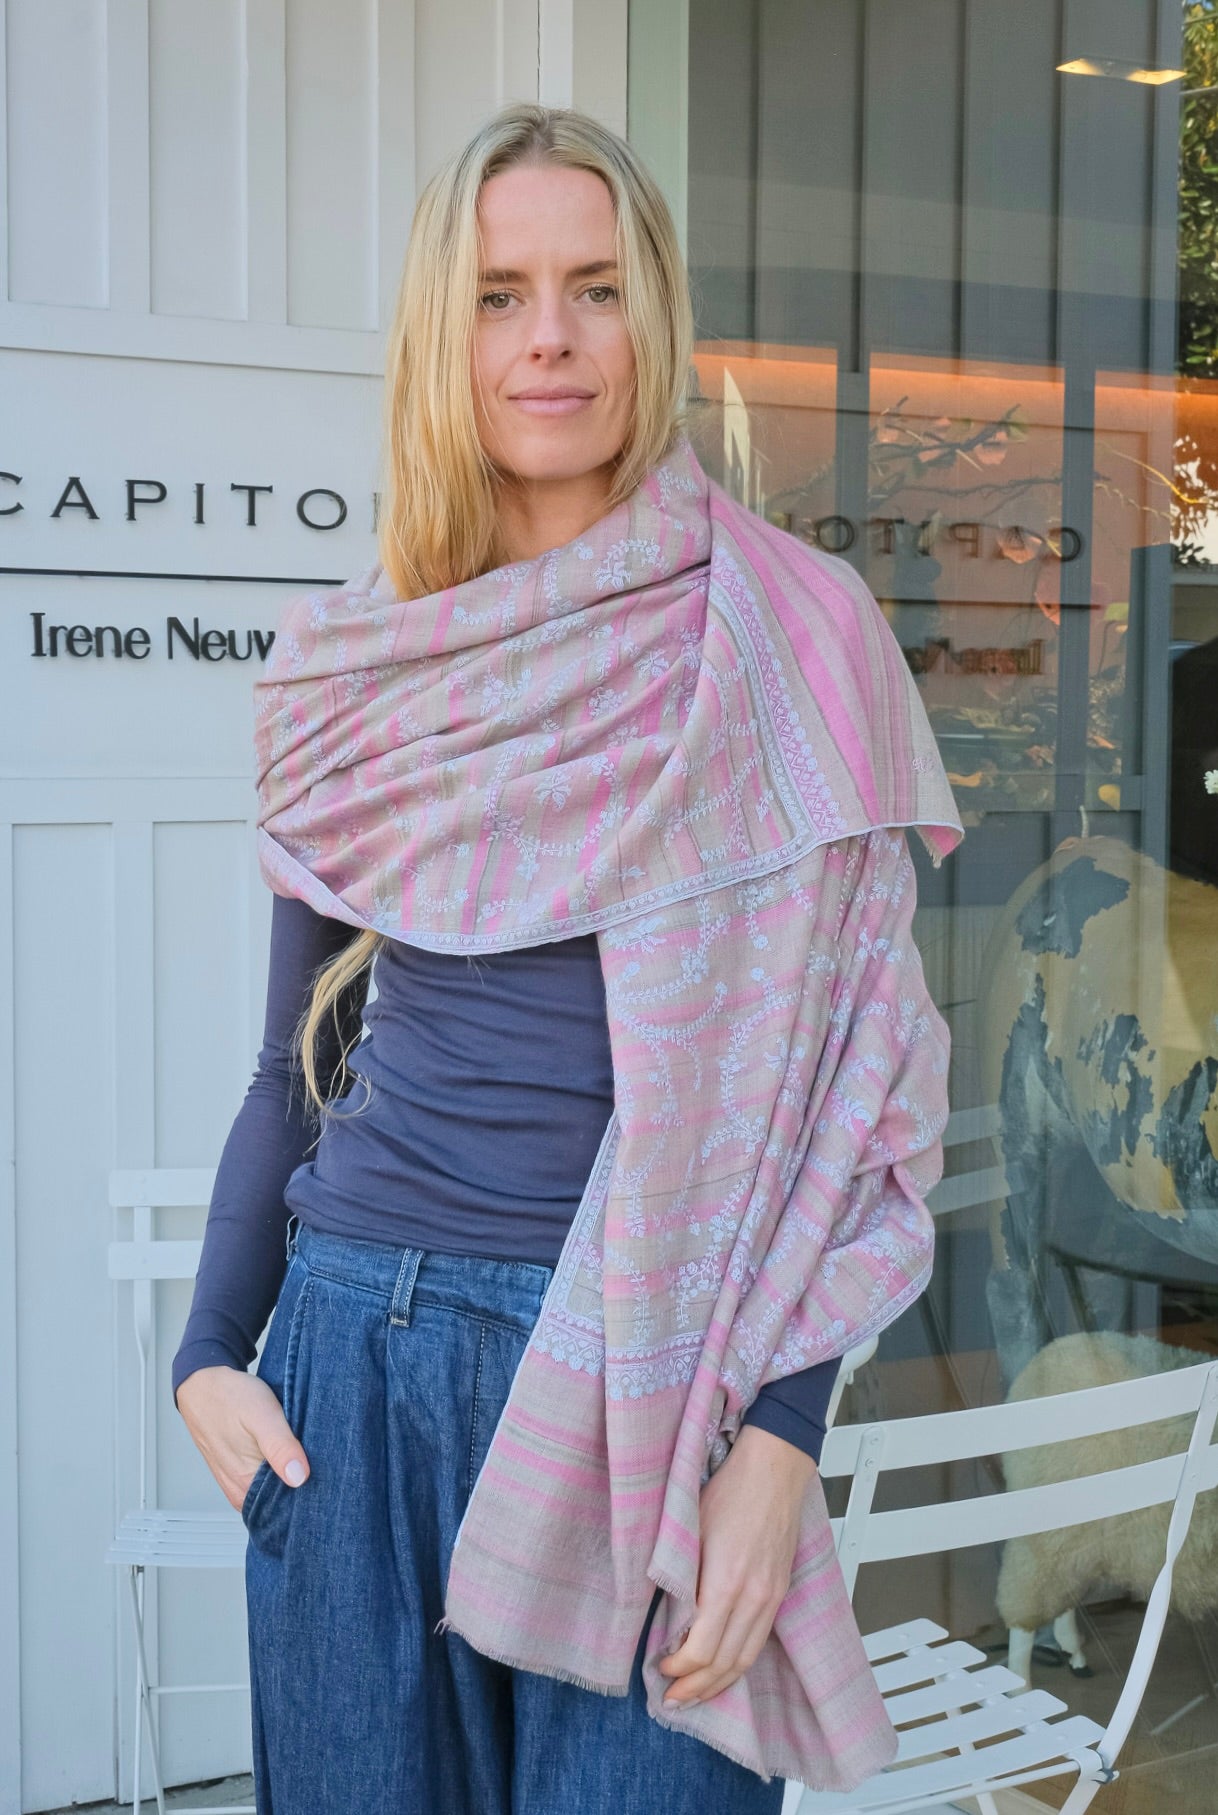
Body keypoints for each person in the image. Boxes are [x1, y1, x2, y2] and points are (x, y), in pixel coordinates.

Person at [174, 103, 963, 1814]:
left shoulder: (787, 638)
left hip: (649, 1392)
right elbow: (291, 1070)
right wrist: (205, 1360)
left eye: (593, 288)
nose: (548, 336)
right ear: (438, 335)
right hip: (349, 1366)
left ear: (652, 314)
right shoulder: (358, 660)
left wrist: (779, 1441)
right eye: (498, 292)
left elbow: (850, 1095)